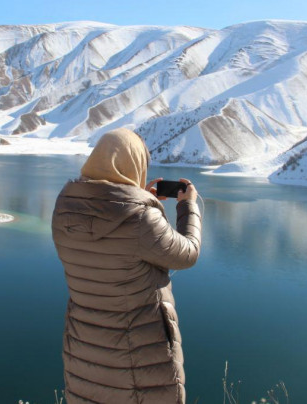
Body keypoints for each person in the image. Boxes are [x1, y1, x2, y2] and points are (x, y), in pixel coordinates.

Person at [51, 128, 202, 404]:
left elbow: (113, 234)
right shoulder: (141, 219)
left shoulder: (64, 209)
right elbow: (187, 254)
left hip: (84, 353)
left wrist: (138, 198)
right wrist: (187, 207)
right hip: (141, 361)